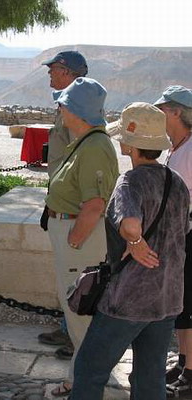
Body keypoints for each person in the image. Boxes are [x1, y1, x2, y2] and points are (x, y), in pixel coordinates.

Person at [70, 102, 190, 400]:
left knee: (89, 369)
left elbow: (131, 223)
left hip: (129, 299)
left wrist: (135, 243)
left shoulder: (130, 181)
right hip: (167, 297)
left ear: (130, 143)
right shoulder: (176, 181)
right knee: (150, 379)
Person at [45, 77, 119, 397]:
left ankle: (86, 384)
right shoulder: (85, 141)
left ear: (76, 110)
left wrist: (74, 241)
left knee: (81, 315)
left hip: (81, 240)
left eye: (63, 103)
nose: (59, 107)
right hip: (73, 235)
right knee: (77, 315)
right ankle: (81, 379)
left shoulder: (95, 147)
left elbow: (94, 205)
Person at [39, 50, 89, 362]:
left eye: (55, 69)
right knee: (67, 274)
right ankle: (67, 326)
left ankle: (78, 337)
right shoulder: (65, 106)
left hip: (73, 207)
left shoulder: (78, 111)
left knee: (78, 276)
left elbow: (77, 161)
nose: (50, 74)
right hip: (60, 200)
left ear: (69, 73)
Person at [153, 85, 192, 395]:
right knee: (182, 306)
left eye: (163, 109)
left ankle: (191, 372)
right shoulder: (177, 146)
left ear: (178, 112)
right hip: (180, 235)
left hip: (190, 234)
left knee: (190, 307)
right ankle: (183, 361)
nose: (158, 113)